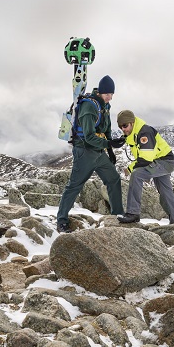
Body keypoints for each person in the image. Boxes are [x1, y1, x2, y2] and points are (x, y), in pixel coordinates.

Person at [56, 75, 126, 233]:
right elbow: (88, 137)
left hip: (99, 153)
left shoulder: (105, 106)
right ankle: (61, 220)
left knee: (113, 179)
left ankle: (117, 216)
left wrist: (110, 150)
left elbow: (105, 130)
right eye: (107, 94)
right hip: (84, 152)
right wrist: (108, 144)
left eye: (112, 94)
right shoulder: (89, 107)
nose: (110, 97)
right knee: (75, 186)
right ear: (100, 92)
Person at [116, 110, 174, 224]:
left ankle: (133, 213)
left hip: (164, 162)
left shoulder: (144, 133)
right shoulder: (134, 133)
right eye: (120, 127)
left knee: (137, 175)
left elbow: (146, 159)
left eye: (125, 125)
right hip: (163, 162)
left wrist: (130, 169)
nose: (123, 129)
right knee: (166, 194)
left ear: (132, 122)